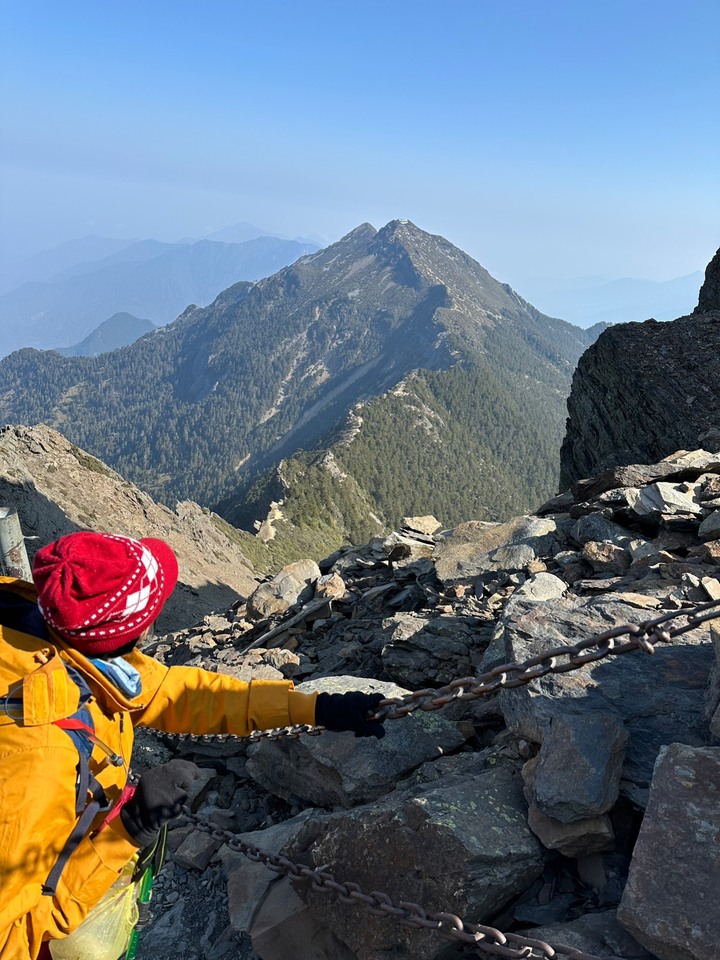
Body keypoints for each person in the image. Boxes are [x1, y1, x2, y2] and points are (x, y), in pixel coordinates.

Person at [0, 531, 385, 960]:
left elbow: (177, 693)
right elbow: (12, 937)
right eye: (152, 610)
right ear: (123, 631)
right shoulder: (34, 761)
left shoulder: (47, 636)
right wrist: (129, 830)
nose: (155, 622)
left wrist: (314, 709)